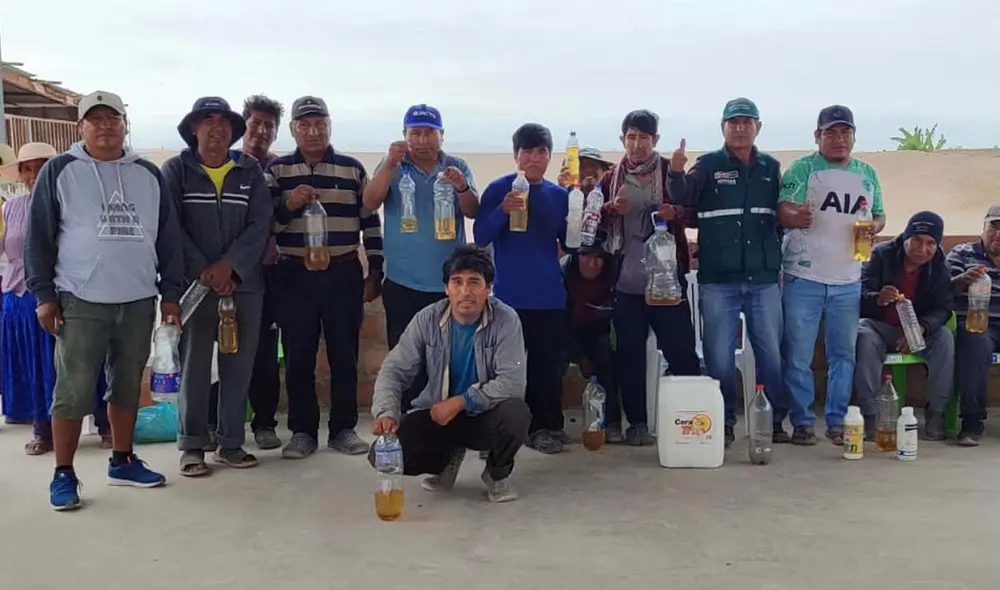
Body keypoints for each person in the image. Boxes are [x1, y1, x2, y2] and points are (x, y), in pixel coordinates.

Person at [25, 90, 185, 510]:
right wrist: (44, 294)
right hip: (80, 298)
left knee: (128, 385)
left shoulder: (148, 175)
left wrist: (170, 295)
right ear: (81, 127)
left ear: (124, 124)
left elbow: (168, 239)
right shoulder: (61, 171)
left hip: (136, 298)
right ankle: (63, 473)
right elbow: (38, 236)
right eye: (94, 119)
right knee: (73, 389)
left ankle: (123, 460)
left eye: (112, 118)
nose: (105, 126)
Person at [666, 98, 788, 446]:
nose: (740, 127)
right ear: (723, 128)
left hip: (763, 279)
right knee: (718, 356)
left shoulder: (771, 167)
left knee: (770, 352)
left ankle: (774, 421)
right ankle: (724, 421)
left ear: (758, 127)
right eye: (733, 122)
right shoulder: (707, 165)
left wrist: (772, 255)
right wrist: (675, 171)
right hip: (718, 279)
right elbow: (684, 197)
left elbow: (780, 215)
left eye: (746, 122)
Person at [267, 96, 383, 459]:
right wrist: (289, 204)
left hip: (343, 271)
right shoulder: (278, 171)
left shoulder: (351, 169)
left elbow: (370, 222)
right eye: (305, 125)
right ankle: (302, 432)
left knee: (343, 355)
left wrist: (375, 268)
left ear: (330, 126)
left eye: (320, 124)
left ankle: (343, 429)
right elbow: (266, 223)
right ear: (293, 130)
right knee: (299, 356)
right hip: (294, 274)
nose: (313, 131)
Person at [162, 97, 271, 476]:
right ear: (193, 128)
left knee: (238, 367)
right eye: (207, 121)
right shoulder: (176, 170)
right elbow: (170, 227)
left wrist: (231, 266)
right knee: (193, 368)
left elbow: (260, 225)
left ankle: (230, 443)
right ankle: (192, 446)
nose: (216, 128)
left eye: (224, 121)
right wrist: (206, 270)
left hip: (244, 285)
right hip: (195, 287)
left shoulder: (250, 171)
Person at [369, 245, 529, 503]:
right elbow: (394, 369)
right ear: (446, 288)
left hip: (483, 415)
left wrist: (461, 401)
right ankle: (445, 460)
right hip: (438, 415)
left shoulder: (506, 320)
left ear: (488, 288)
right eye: (457, 282)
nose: (465, 292)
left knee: (516, 414)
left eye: (474, 282)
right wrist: (386, 411)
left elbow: (512, 383)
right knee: (383, 455)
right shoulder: (427, 319)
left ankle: (497, 473)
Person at [778, 105, 887, 446]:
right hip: (804, 276)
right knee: (798, 354)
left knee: (844, 355)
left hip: (848, 279)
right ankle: (803, 421)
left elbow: (880, 215)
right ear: (817, 136)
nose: (839, 139)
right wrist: (795, 215)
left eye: (845, 132)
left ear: (854, 136)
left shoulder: (867, 173)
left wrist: (873, 227)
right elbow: (783, 209)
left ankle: (838, 421)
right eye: (830, 132)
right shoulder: (802, 168)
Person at [362, 104, 478, 410]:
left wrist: (461, 186)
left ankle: (448, 424)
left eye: (429, 133)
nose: (422, 140)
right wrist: (389, 163)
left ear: (441, 136)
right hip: (403, 283)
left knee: (451, 359)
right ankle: (410, 423)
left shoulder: (457, 165)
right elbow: (370, 201)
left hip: (448, 286)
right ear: (404, 136)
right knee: (405, 360)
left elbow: (473, 211)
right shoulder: (393, 166)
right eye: (415, 133)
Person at [0, 142, 112, 454]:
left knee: (82, 361)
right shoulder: (9, 208)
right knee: (35, 366)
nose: (35, 174)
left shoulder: (73, 204)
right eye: (27, 168)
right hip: (20, 297)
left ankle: (105, 424)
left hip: (65, 293)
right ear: (20, 174)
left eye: (42, 166)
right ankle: (42, 430)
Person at [598, 109, 701, 447]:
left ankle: (690, 419)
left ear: (655, 140)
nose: (637, 144)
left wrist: (677, 213)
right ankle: (638, 423)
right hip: (627, 283)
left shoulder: (671, 172)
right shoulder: (610, 178)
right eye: (631, 137)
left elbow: (694, 210)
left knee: (683, 352)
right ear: (622, 140)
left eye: (644, 137)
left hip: (668, 283)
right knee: (629, 355)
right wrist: (612, 209)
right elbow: (590, 224)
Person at [474, 123, 570, 454]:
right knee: (503, 370)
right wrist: (502, 211)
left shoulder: (559, 196)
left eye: (541, 151)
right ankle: (496, 432)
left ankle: (546, 428)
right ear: (516, 155)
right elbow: (482, 236)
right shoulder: (499, 189)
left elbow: (568, 242)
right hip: (507, 298)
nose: (533, 157)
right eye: (527, 151)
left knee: (547, 368)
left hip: (549, 296)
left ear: (549, 156)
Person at [856, 212, 953, 440]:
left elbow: (943, 308)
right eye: (917, 240)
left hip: (918, 329)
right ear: (906, 237)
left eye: (931, 243)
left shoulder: (939, 264)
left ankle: (935, 414)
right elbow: (858, 293)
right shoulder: (881, 255)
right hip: (881, 327)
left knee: (945, 339)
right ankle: (870, 414)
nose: (923, 248)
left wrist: (921, 329)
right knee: (864, 334)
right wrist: (876, 298)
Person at [240, 94, 284, 450]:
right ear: (244, 125)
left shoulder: (280, 169)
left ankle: (264, 422)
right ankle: (214, 422)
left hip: (269, 273)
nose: (262, 130)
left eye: (269, 125)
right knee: (219, 350)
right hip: (227, 274)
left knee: (265, 352)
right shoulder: (228, 163)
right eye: (256, 123)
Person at [946, 205, 1000, 446]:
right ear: (984, 228)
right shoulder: (962, 253)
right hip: (978, 322)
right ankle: (972, 422)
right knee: (974, 341)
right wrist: (961, 280)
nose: (998, 234)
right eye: (994, 227)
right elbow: (941, 287)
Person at [560, 228, 620, 441]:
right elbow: (558, 325)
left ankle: (612, 422)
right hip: (567, 332)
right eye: (586, 257)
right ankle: (551, 425)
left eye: (598, 259)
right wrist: (580, 357)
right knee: (553, 360)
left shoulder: (613, 276)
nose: (592, 265)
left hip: (598, 332)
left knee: (606, 357)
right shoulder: (564, 274)